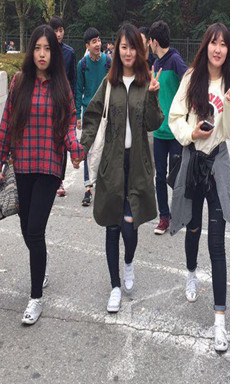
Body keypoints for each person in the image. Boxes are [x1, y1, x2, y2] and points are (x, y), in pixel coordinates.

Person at [0, 25, 83, 326]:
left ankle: (35, 298)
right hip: (22, 164)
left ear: (53, 53)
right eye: (37, 48)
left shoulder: (61, 86)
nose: (42, 54)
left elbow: (69, 123)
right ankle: (39, 266)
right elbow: (7, 122)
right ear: (31, 51)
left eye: (47, 49)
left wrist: (75, 148)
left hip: (49, 167)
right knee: (25, 226)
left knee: (35, 229)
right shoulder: (20, 82)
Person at [168, 22, 230, 353]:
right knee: (192, 227)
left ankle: (219, 321)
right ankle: (190, 274)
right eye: (214, 42)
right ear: (206, 46)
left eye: (223, 44)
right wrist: (191, 134)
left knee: (217, 242)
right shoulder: (191, 78)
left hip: (217, 164)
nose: (218, 49)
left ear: (228, 50)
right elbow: (174, 118)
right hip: (193, 160)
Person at [81, 24, 163, 314]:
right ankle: (114, 286)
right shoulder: (110, 83)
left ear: (140, 51)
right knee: (112, 226)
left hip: (137, 165)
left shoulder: (145, 83)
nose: (128, 53)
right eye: (123, 47)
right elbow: (92, 115)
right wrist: (82, 146)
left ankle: (128, 262)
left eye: (133, 48)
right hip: (111, 165)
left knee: (130, 225)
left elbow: (154, 123)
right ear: (117, 50)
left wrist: (152, 95)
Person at [148, 20, 188, 235]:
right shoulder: (155, 64)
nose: (149, 45)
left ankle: (181, 212)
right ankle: (164, 217)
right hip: (159, 131)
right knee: (160, 176)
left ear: (154, 41)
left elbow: (189, 82)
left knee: (177, 176)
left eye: (149, 42)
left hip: (175, 132)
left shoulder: (175, 60)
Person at [75, 27, 112, 207]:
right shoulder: (82, 65)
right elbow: (78, 90)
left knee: (106, 147)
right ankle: (88, 187)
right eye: (94, 41)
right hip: (88, 112)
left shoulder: (108, 62)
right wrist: (77, 115)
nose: (98, 44)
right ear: (87, 46)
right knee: (87, 148)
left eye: (99, 40)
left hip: (106, 111)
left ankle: (104, 185)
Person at [49, 17, 77, 198]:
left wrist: (72, 104)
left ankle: (59, 178)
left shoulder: (69, 53)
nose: (58, 34)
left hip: (63, 103)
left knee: (62, 140)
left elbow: (73, 80)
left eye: (61, 30)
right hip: (45, 102)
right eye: (55, 30)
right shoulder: (44, 51)